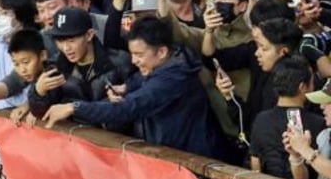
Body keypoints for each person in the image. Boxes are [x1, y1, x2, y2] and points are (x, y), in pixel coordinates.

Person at [44, 16, 224, 158]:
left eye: (139, 55)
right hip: (170, 153)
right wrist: (126, 87)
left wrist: (74, 108)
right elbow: (139, 78)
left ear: (161, 52)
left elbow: (129, 108)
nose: (133, 61)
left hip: (192, 161)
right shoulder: (167, 61)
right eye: (132, 54)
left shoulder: (172, 78)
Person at [285, 77, 331, 179]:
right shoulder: (324, 136)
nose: (321, 106)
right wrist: (296, 156)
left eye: (328, 102)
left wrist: (305, 149)